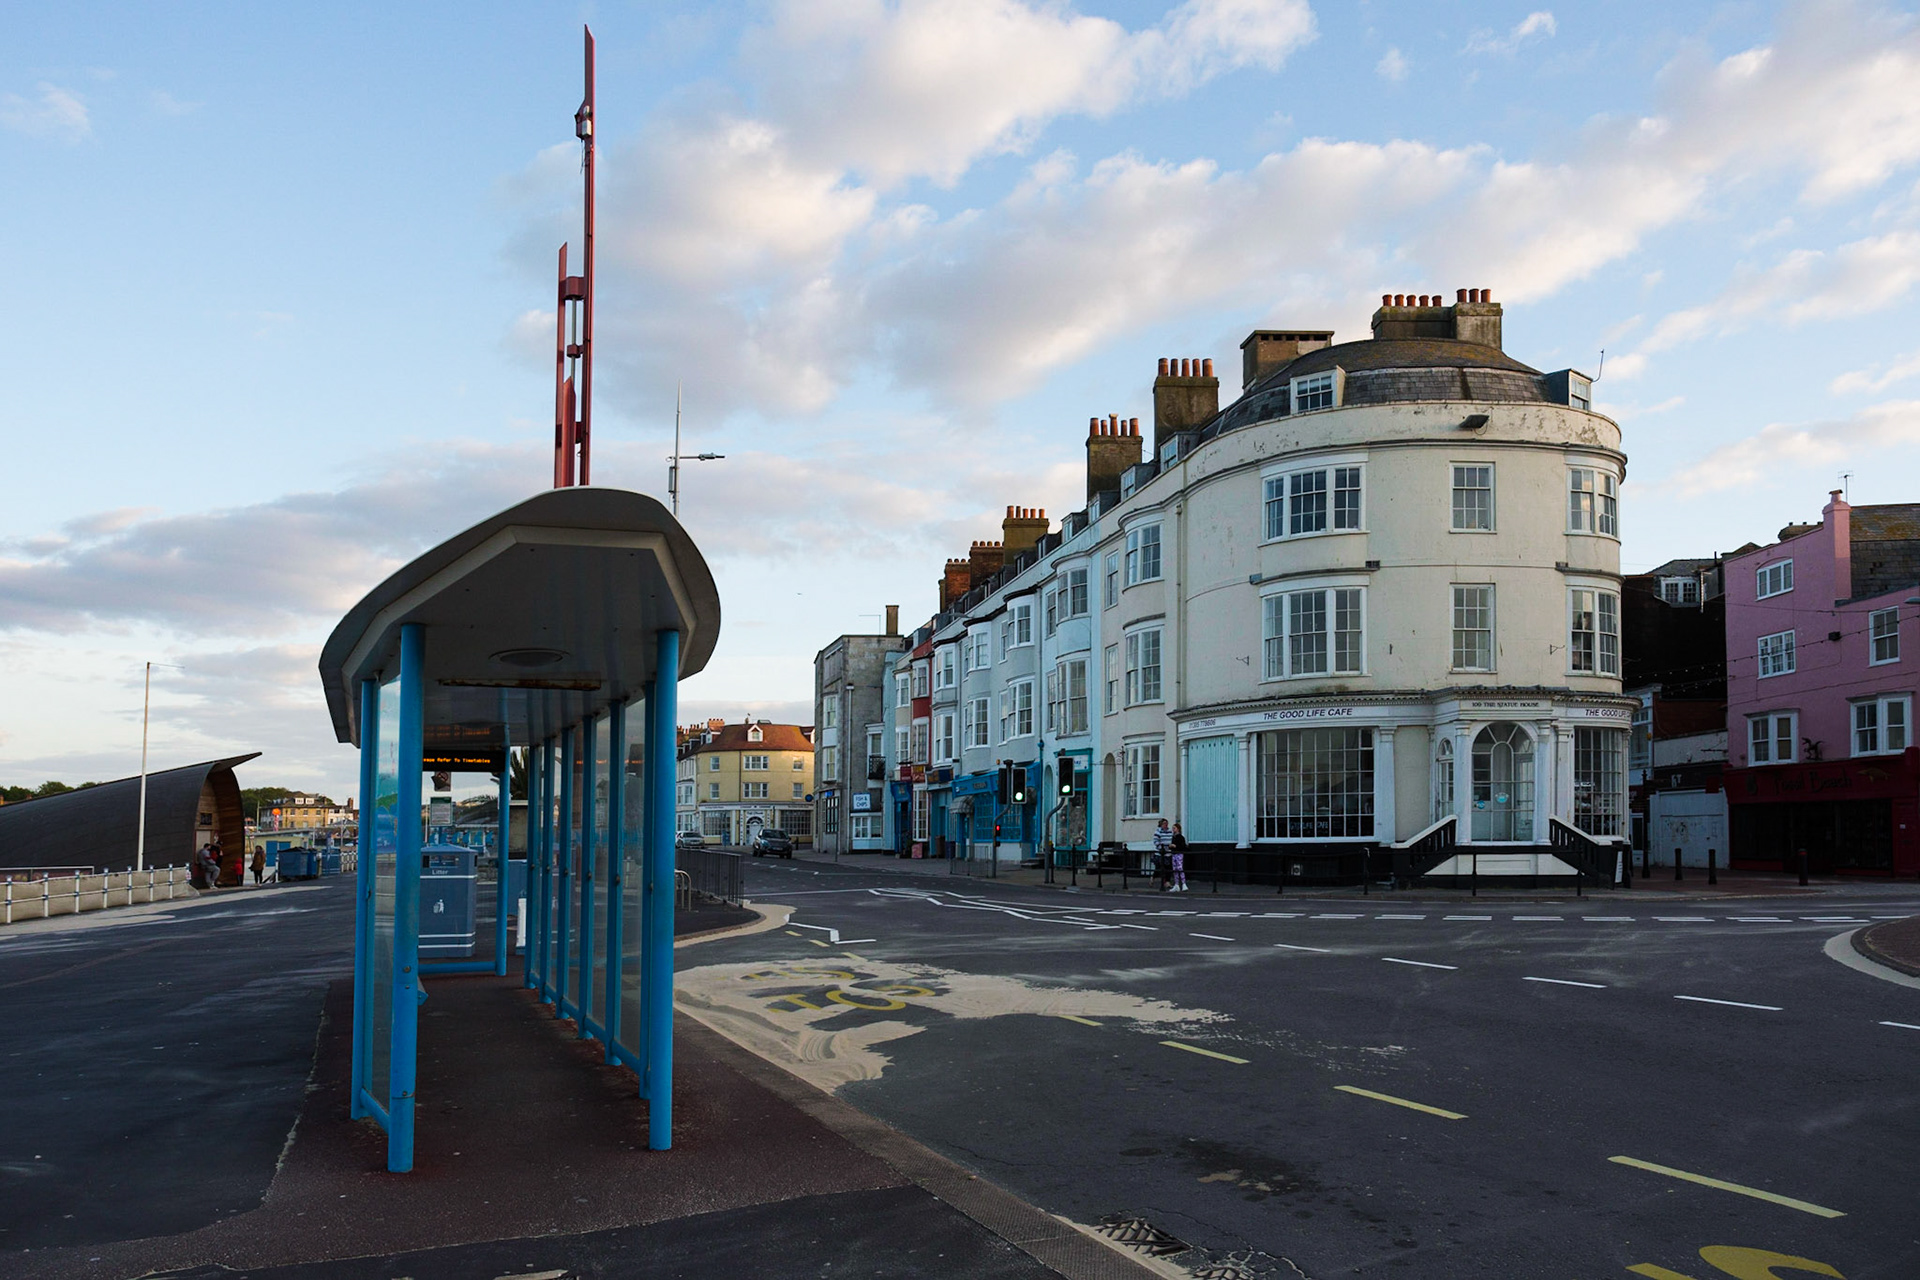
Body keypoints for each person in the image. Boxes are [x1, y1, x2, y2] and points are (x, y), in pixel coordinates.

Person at [1152, 818, 1174, 892]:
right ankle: (1153, 878)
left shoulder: (1170, 831)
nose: (1166, 825)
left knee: (1168, 868)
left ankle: (1167, 882)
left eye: (1166, 823)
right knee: (1159, 868)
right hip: (1160, 853)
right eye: (1164, 823)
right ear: (1161, 824)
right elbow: (1155, 841)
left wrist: (1170, 847)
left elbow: (1172, 839)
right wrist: (1161, 848)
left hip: (1168, 852)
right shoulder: (1158, 832)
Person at [1170, 821, 1189, 892]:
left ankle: (1184, 883)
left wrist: (1175, 846)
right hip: (1174, 854)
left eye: (1174, 828)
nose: (1173, 830)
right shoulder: (1173, 837)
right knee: (1175, 869)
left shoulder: (1181, 837)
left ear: (1178, 829)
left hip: (1179, 854)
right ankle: (1176, 884)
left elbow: (1182, 846)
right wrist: (1171, 846)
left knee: (1180, 868)